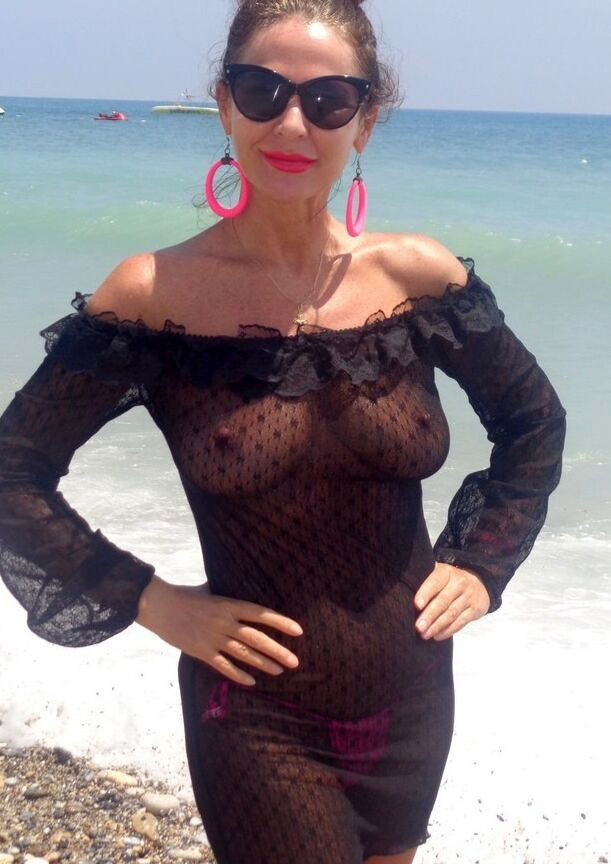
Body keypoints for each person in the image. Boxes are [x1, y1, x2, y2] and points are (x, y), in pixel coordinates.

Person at [0, 1, 566, 862]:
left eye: (328, 99)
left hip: (413, 689)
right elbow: (13, 471)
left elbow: (532, 423)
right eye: (261, 91)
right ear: (224, 106)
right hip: (253, 709)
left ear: (364, 122)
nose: (292, 123)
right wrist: (153, 602)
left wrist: (481, 565)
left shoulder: (415, 278)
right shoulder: (153, 296)